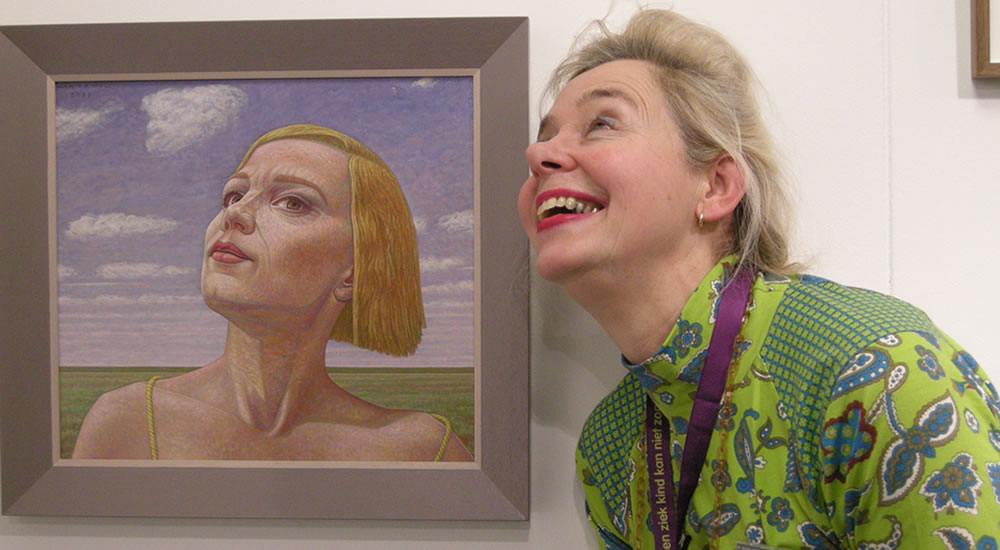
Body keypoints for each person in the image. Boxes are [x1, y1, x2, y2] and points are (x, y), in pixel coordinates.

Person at [517, 9, 999, 549]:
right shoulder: (610, 446)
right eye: (544, 138)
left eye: (603, 123)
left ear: (717, 185)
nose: (538, 154)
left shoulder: (879, 373)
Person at [73, 124, 472, 462]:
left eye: (293, 203)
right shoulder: (125, 422)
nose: (235, 213)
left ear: (355, 271)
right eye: (234, 195)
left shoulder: (423, 449)